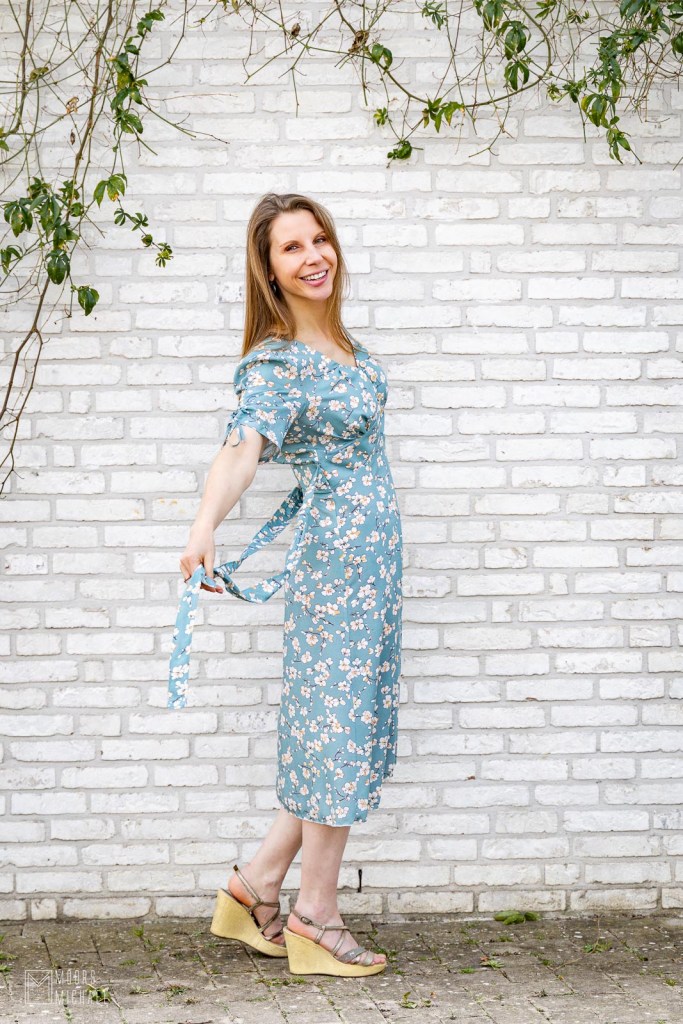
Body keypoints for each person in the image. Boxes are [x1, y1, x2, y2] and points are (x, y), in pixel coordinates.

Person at [171, 193, 403, 977]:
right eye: (291, 248)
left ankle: (255, 886)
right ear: (268, 270)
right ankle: (315, 917)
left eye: (319, 239)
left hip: (372, 572)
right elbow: (242, 448)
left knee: (335, 734)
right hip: (336, 572)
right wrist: (204, 526)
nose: (313, 257)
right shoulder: (278, 362)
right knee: (335, 738)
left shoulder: (346, 349)